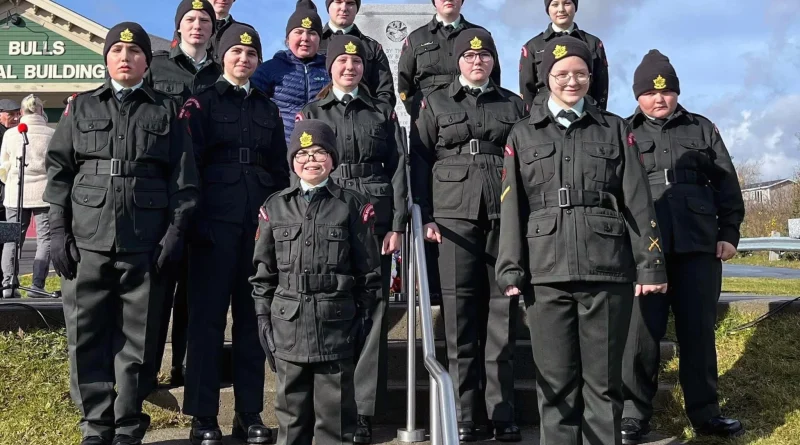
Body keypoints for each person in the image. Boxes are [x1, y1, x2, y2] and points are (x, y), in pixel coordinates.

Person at [495, 37, 668, 445]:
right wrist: (510, 266)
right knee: (555, 386)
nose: (571, 81)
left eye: (580, 74)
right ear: (546, 79)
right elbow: (512, 205)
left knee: (603, 385)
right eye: (562, 74)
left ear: (591, 78)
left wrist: (651, 265)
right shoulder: (522, 134)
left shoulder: (615, 128)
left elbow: (638, 200)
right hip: (546, 272)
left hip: (606, 270)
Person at [43, 22, 198, 445]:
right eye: (117, 51)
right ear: (106, 58)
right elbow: (59, 172)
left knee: (139, 338)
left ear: (148, 61)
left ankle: (128, 424)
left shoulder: (166, 110)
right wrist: (56, 230)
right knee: (86, 335)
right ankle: (95, 426)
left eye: (134, 52)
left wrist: (174, 233)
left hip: (145, 242)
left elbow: (183, 180)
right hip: (86, 240)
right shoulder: (81, 107)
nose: (125, 58)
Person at [620, 50, 746, 444]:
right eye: (650, 92)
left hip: (698, 247)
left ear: (676, 92)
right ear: (638, 95)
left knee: (698, 333)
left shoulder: (702, 129)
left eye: (667, 91)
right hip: (645, 251)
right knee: (640, 336)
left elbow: (727, 183)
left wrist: (729, 232)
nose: (659, 98)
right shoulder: (623, 132)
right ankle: (633, 415)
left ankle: (706, 414)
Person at [410, 29, 525, 442]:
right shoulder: (435, 102)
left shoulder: (513, 104)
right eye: (470, 56)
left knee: (502, 316)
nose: (478, 61)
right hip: (452, 217)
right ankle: (463, 412)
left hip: (502, 215)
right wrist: (423, 214)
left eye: (485, 56)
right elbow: (419, 159)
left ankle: (501, 411)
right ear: (458, 61)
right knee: (459, 319)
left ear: (494, 61)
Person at [181, 23, 288, 445]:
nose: (243, 59)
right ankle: (203, 415)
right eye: (236, 52)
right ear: (221, 56)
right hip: (212, 226)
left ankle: (249, 413)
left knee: (252, 321)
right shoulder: (201, 103)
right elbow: (189, 165)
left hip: (256, 229)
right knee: (206, 322)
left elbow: (279, 171)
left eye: (251, 54)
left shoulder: (268, 109)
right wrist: (194, 220)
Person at [299, 35, 407, 444]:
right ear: (329, 67)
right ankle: (330, 407)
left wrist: (397, 225)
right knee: (331, 309)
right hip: (328, 217)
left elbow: (398, 167)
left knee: (373, 313)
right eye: (342, 61)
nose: (350, 67)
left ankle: (362, 411)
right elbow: (301, 168)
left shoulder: (381, 111)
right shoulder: (313, 112)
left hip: (374, 219)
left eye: (357, 62)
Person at [251, 119, 381, 445]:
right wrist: (263, 319)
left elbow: (368, 275)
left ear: (332, 159)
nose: (310, 160)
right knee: (291, 421)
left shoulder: (352, 205)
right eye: (302, 153)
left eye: (319, 152)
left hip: (335, 329)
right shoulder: (275, 207)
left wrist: (361, 322)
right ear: (292, 161)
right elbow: (263, 275)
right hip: (288, 328)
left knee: (335, 423)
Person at [147, 0, 222, 389]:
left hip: (208, 194)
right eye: (190, 19)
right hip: (163, 193)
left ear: (213, 28)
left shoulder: (222, 73)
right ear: (178, 26)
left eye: (204, 20)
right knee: (157, 287)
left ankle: (185, 368)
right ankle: (146, 373)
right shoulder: (156, 68)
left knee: (197, 290)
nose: (198, 25)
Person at [397, 0, 501, 121]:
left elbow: (493, 75)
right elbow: (405, 81)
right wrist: (418, 111)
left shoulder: (481, 35)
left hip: (472, 113)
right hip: (430, 114)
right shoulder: (416, 38)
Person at [251, 0, 329, 145]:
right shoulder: (269, 69)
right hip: (282, 149)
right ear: (287, 38)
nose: (305, 38)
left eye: (312, 33)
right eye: (298, 32)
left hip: (321, 150)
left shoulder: (331, 70)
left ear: (319, 40)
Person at [0, 94, 51, 298]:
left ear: (21, 112)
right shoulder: (51, 133)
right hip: (44, 193)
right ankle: (37, 286)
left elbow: (3, 166)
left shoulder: (10, 134)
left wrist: (9, 181)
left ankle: (8, 284)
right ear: (41, 111)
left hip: (15, 193)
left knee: (11, 239)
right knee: (45, 238)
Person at [519, 0, 608, 111]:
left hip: (585, 113)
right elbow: (527, 89)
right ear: (548, 9)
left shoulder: (593, 43)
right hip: (544, 114)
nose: (561, 9)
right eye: (555, 4)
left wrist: (598, 115)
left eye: (567, 3)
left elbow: (601, 87)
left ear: (575, 7)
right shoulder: (533, 46)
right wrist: (531, 118)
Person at [320, 0, 396, 109]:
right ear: (328, 6)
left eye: (350, 3)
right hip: (319, 115)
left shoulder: (372, 47)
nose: (344, 8)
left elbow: (385, 93)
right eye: (338, 2)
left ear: (357, 8)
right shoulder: (313, 44)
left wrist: (375, 115)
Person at [0, 98, 20, 253]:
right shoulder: (6, 134)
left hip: (8, 196)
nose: (16, 118)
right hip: (4, 195)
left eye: (18, 114)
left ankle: (7, 268)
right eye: (11, 114)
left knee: (8, 241)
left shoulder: (15, 134)